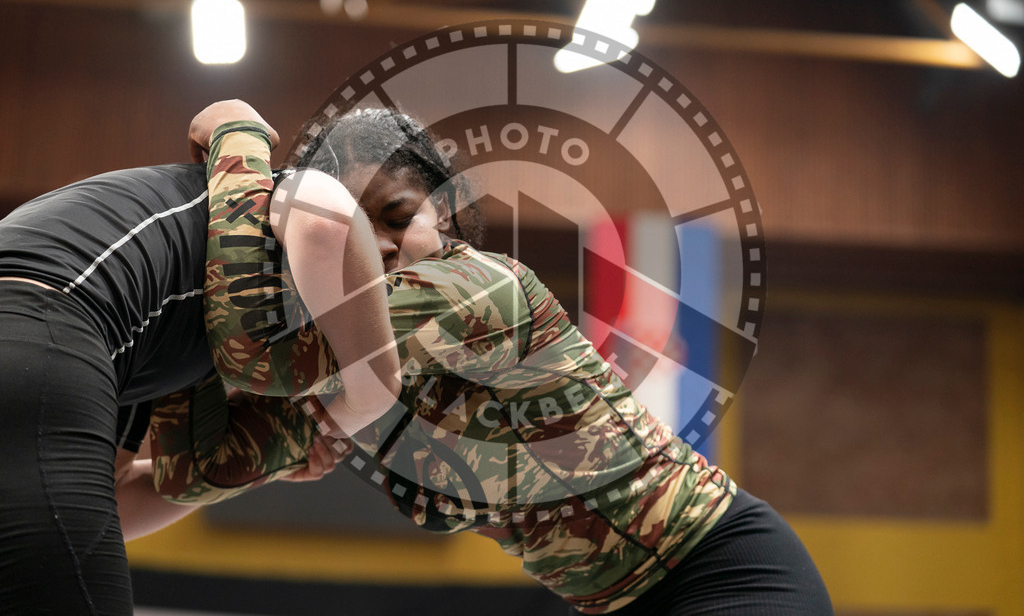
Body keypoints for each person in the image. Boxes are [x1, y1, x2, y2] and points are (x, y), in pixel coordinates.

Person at [150, 101, 834, 615]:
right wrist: (182, 359)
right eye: (355, 229)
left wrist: (238, 143)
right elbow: (199, 468)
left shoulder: (481, 290)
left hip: (721, 570)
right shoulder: (348, 365)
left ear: (442, 213)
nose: (379, 246)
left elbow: (248, 351)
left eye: (395, 217)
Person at [0, 101, 400, 614]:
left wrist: (273, 460)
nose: (393, 257)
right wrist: (369, 394)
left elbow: (110, 499)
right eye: (396, 222)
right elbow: (325, 223)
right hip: (41, 320)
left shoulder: (167, 313)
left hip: (48, 342)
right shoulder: (289, 192)